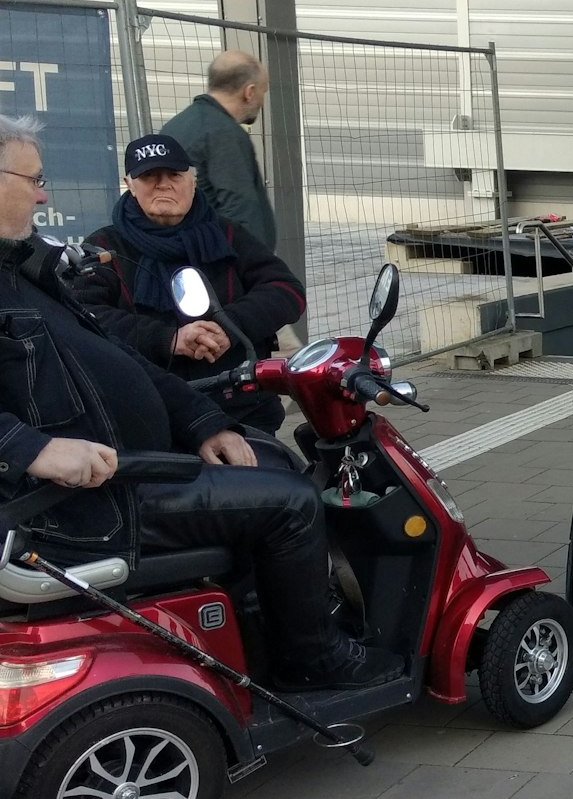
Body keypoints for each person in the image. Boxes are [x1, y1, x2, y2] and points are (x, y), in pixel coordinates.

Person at [0, 115, 396, 690]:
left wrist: (202, 420)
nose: (44, 194)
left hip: (145, 455)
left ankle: (257, 628)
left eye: (174, 176)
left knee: (270, 463)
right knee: (293, 502)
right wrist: (33, 448)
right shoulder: (91, 253)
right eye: (33, 179)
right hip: (88, 503)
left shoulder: (24, 269)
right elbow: (124, 345)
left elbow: (115, 354)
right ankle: (311, 661)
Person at [72, 135, 305, 435]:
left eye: (174, 175)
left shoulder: (228, 236)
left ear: (192, 181)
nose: (163, 184)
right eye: (149, 176)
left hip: (240, 407)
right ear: (128, 184)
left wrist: (229, 326)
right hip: (149, 411)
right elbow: (82, 316)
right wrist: (169, 339)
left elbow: (286, 291)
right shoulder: (105, 247)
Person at [160, 50, 277, 249]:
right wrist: (256, 269)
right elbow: (241, 208)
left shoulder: (177, 125)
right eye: (262, 92)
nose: (261, 101)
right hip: (222, 262)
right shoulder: (223, 133)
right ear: (249, 92)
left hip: (187, 248)